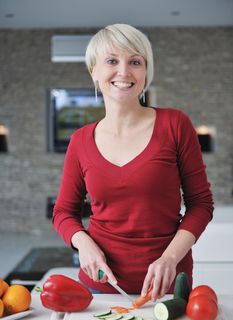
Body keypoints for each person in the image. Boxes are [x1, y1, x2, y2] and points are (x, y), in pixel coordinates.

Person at [52, 23, 214, 301]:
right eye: (112, 61)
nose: (124, 72)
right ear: (94, 70)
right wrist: (84, 244)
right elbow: (63, 212)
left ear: (146, 71)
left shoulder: (175, 124)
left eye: (135, 62)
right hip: (100, 287)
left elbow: (201, 204)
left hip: (169, 286)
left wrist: (170, 259)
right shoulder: (80, 140)